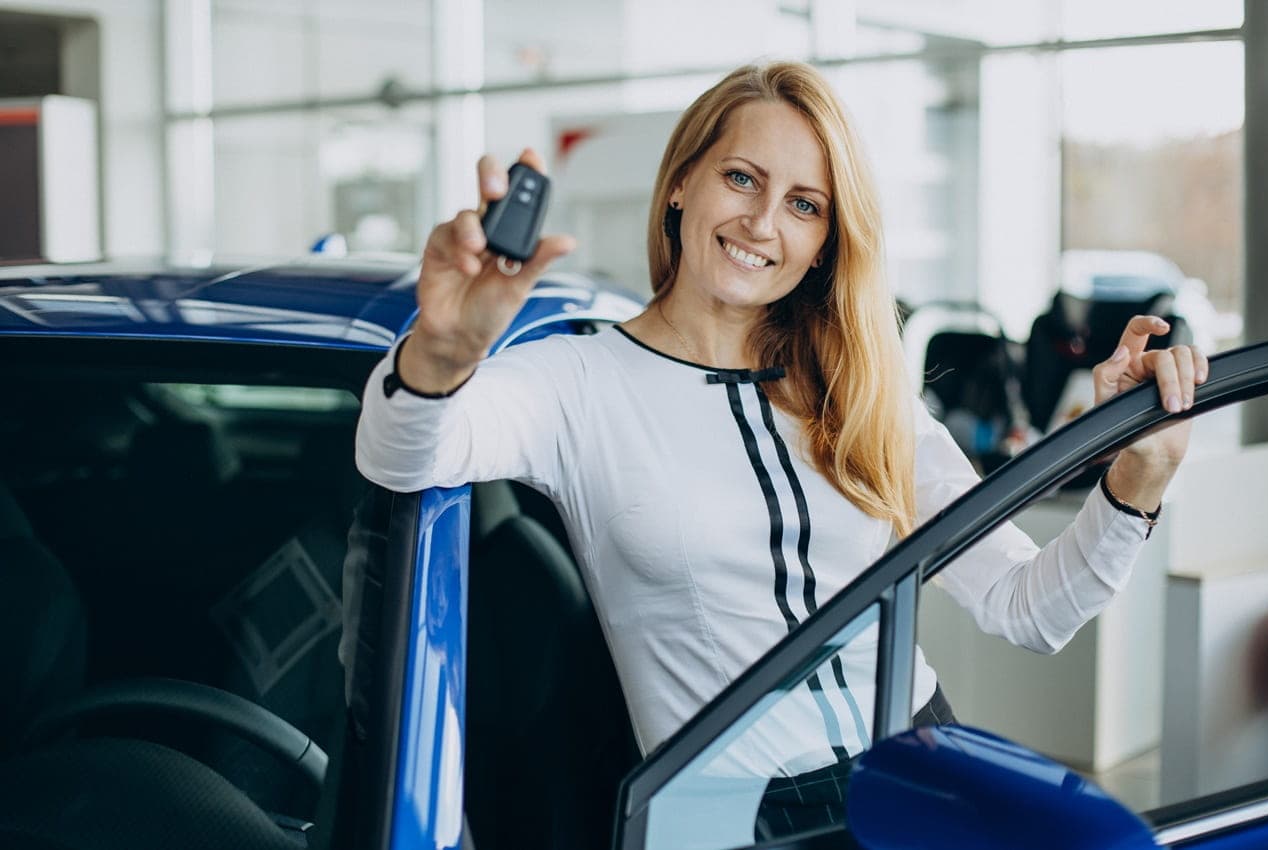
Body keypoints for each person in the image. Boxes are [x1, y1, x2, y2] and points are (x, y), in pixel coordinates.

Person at [352, 62, 1208, 838]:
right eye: (741, 178)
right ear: (681, 183)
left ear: (827, 241)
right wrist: (441, 355)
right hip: (725, 817)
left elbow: (1032, 611)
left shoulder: (863, 389)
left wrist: (1140, 473)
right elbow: (404, 454)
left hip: (918, 775)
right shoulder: (576, 380)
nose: (762, 223)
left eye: (804, 204)